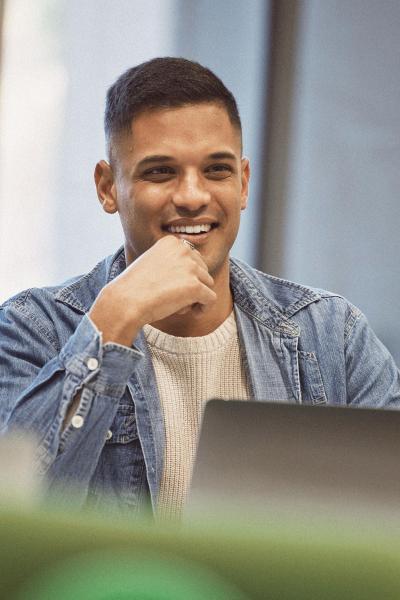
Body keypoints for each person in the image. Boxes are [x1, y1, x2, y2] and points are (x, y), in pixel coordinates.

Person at [1, 57, 399, 520]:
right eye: (160, 172)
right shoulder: (31, 330)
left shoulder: (333, 336)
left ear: (244, 183)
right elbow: (15, 514)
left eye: (216, 170)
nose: (193, 196)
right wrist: (112, 320)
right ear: (108, 188)